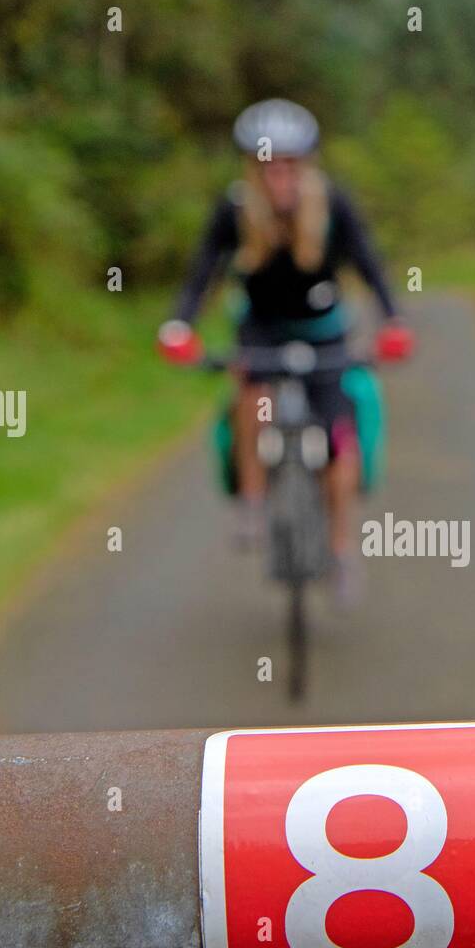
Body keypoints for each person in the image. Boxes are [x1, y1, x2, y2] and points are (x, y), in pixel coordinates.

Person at [159, 98, 412, 602]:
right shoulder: (234, 210)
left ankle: (341, 551)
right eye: (267, 165)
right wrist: (179, 325)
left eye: (288, 164)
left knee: (341, 437)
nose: (279, 176)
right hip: (261, 329)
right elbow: (202, 272)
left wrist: (393, 319)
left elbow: (368, 262)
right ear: (252, 168)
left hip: (324, 329)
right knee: (254, 398)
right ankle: (253, 503)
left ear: (305, 165)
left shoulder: (334, 205)